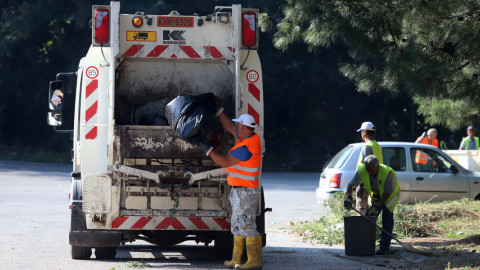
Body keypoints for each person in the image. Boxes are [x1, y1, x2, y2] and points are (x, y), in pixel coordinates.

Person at [200, 110, 262, 269]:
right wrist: (219, 113)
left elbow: (226, 162)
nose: (236, 127)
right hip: (239, 190)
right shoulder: (245, 137)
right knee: (237, 224)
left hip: (246, 192)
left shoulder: (247, 146)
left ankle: (254, 261)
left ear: (245, 128)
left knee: (247, 226)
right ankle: (236, 259)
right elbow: (229, 126)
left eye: (239, 125)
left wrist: (209, 151)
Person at [344, 155, 400, 255]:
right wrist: (348, 197)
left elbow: (387, 192)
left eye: (371, 170)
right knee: (368, 220)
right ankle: (367, 245)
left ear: (377, 167)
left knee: (387, 220)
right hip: (376, 196)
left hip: (390, 197)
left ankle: (384, 247)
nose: (369, 172)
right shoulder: (362, 170)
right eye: (367, 170)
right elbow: (350, 184)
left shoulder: (387, 173)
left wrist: (378, 206)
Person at [355, 122, 383, 215]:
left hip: (365, 185)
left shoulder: (367, 147)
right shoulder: (377, 146)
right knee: (372, 214)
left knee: (361, 213)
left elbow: (365, 168)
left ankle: (361, 230)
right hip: (376, 184)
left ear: (364, 132)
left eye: (361, 131)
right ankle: (370, 229)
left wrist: (360, 185)